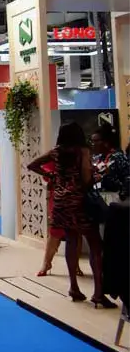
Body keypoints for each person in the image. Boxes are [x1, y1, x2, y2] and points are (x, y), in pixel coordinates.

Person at [28, 122, 115, 308]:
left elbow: (32, 165)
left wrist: (52, 177)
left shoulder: (56, 152)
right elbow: (85, 179)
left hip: (61, 203)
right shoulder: (82, 151)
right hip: (79, 202)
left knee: (71, 240)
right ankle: (98, 292)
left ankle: (74, 287)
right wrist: (95, 176)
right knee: (94, 243)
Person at [92, 125, 129, 201]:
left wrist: (103, 178)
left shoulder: (118, 157)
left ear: (106, 142)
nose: (93, 144)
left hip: (116, 201)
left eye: (96, 141)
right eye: (92, 141)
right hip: (100, 199)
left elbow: (126, 182)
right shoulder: (98, 158)